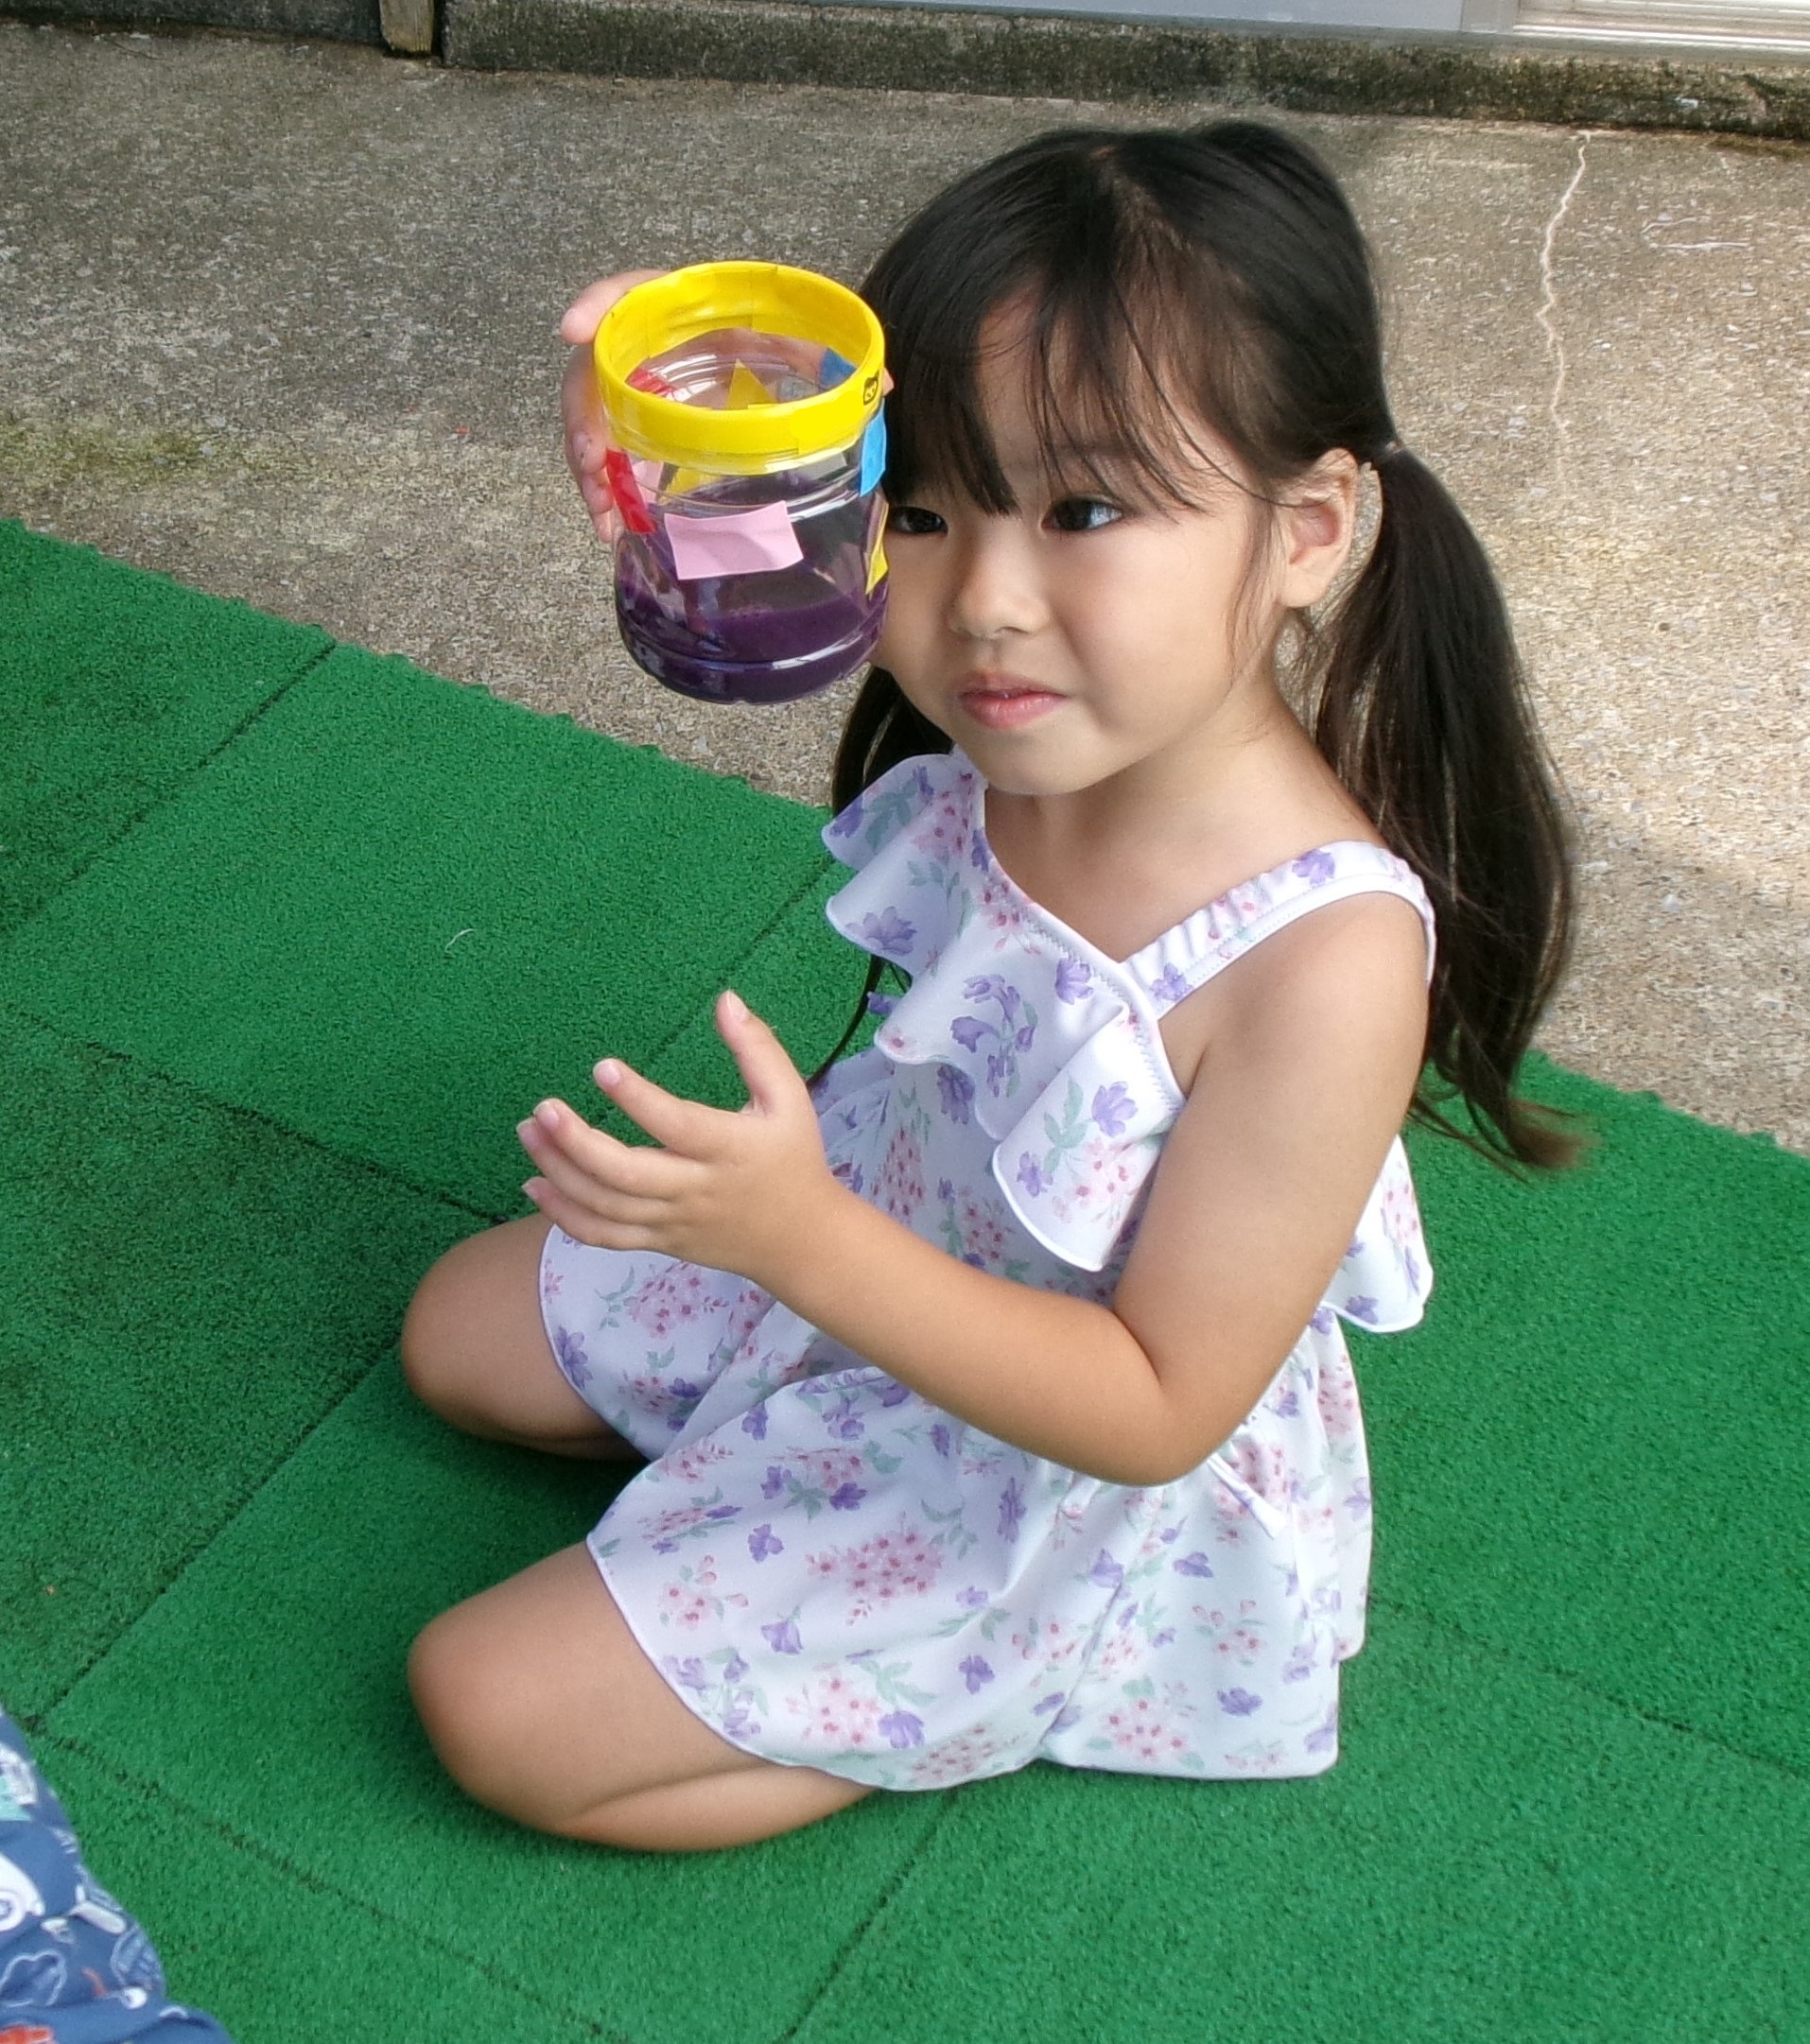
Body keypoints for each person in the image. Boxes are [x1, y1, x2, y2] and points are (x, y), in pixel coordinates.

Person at [400, 121, 1575, 1854]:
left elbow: (1155, 1406)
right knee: (454, 1337)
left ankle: (977, 1687)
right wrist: (669, 403)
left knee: (486, 1707)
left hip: (1048, 1461)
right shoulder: (1049, 722)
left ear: (1311, 528)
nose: (984, 601)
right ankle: (783, 1467)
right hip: (874, 1244)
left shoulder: (1321, 961)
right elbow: (769, 528)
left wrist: (792, 1236)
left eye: (1086, 510)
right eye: (924, 509)